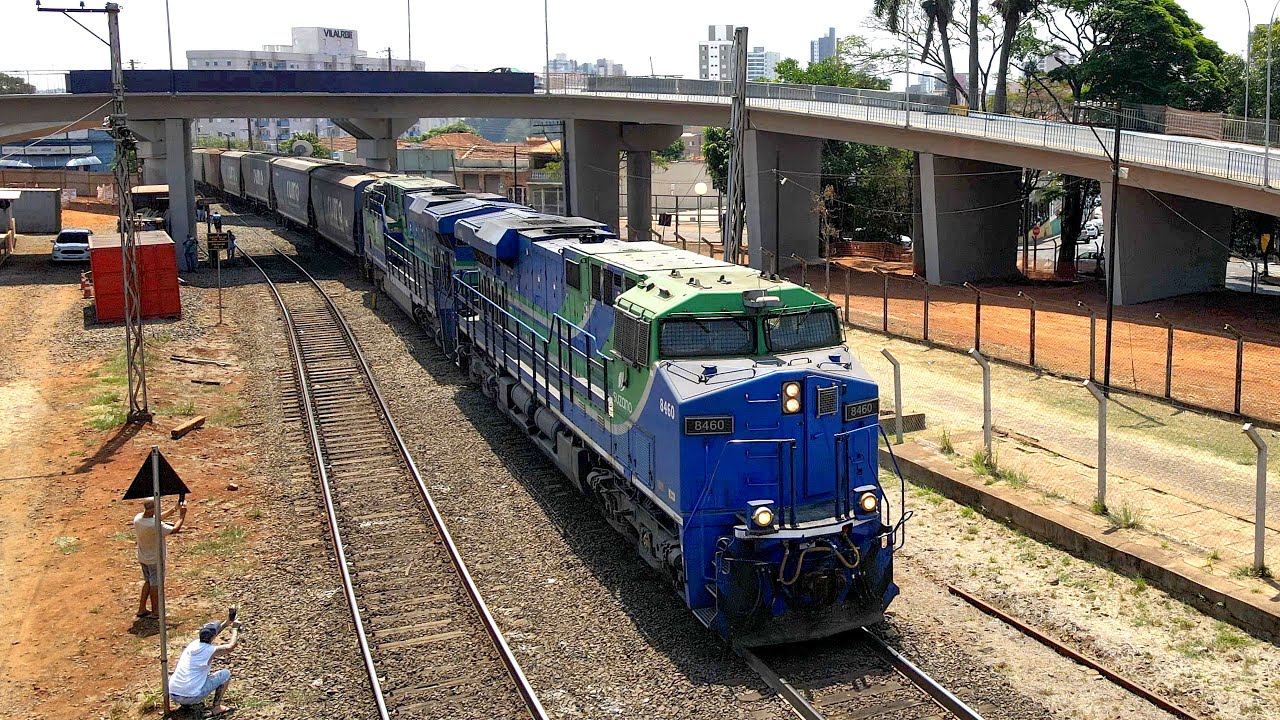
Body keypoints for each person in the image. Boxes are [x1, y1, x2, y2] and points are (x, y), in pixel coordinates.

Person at [169, 618, 241, 715]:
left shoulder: (193, 644)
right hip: (191, 697)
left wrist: (227, 622)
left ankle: (185, 704)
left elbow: (213, 634)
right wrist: (235, 629)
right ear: (213, 637)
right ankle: (216, 707)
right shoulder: (210, 650)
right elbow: (230, 647)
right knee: (225, 674)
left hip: (173, 694)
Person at [133, 497, 186, 619]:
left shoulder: (138, 519)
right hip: (155, 559)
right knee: (155, 584)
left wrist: (174, 509)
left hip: (143, 557)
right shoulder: (154, 526)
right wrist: (182, 516)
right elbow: (175, 529)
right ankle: (155, 611)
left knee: (148, 581)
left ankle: (141, 609)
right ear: (153, 509)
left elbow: (156, 519)